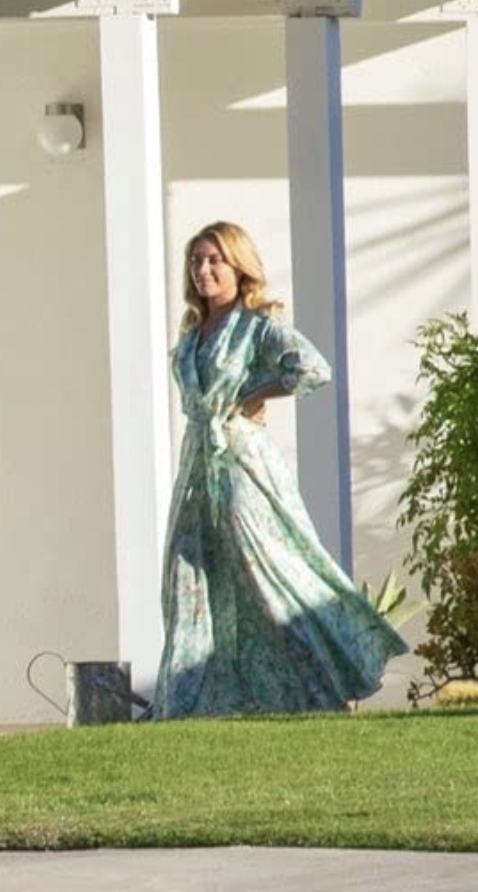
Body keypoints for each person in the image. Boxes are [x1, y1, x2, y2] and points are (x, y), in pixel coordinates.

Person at [153, 221, 406, 718]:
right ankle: (185, 701)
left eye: (214, 260)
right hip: (197, 467)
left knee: (268, 570)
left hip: (242, 462)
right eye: (196, 260)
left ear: (237, 266)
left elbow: (312, 369)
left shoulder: (257, 325)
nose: (202, 270)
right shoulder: (192, 333)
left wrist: (254, 393)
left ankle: (328, 686)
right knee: (188, 577)